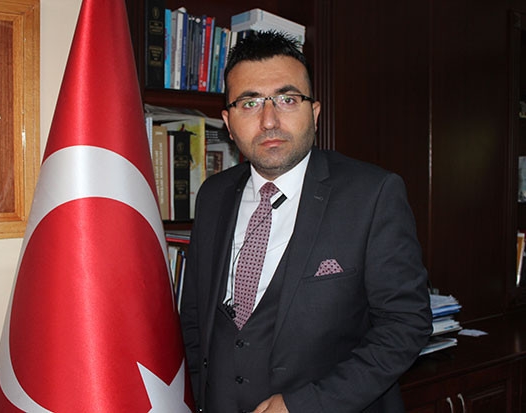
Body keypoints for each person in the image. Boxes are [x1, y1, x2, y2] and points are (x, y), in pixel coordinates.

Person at [179, 30, 432, 413]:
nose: (269, 120)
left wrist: (306, 405)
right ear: (228, 123)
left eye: (287, 99)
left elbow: (406, 325)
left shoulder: (373, 194)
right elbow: (195, 318)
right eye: (250, 103)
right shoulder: (212, 195)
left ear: (313, 113)